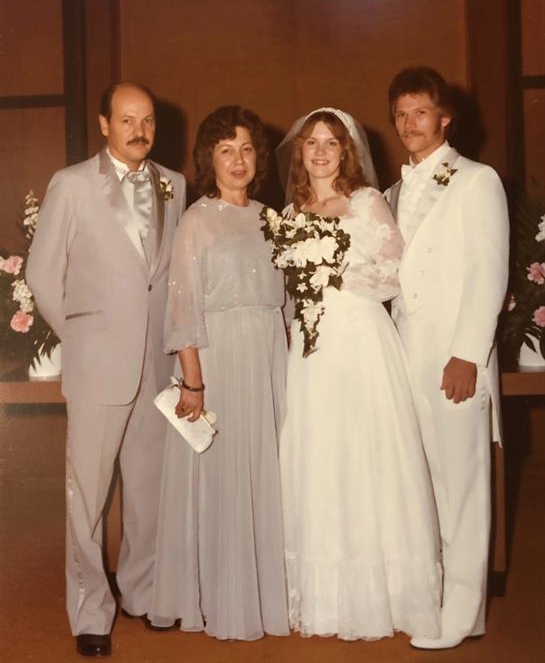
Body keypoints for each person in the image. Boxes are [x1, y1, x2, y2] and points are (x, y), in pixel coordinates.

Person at [26, 83, 186, 657]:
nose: (139, 131)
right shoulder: (71, 184)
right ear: (103, 124)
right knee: (88, 496)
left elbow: (170, 276)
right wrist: (84, 337)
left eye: (148, 120)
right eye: (126, 120)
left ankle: (143, 592)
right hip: (98, 363)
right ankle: (91, 611)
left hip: (156, 363)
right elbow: (42, 274)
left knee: (149, 489)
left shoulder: (175, 184)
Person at [277, 108, 442, 641]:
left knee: (367, 455)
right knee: (321, 456)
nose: (321, 152)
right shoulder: (292, 210)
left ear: (346, 151)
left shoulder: (367, 202)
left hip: (361, 339)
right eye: (312, 142)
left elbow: (395, 274)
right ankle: (326, 598)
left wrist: (336, 273)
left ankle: (385, 594)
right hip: (312, 351)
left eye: (332, 142)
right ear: (300, 152)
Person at [149, 105, 289, 640]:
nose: (238, 160)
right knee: (224, 475)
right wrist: (194, 381)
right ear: (209, 158)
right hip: (219, 359)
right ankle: (223, 599)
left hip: (268, 355)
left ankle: (265, 594)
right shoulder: (197, 220)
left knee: (264, 472)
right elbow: (182, 309)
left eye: (247, 148)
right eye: (226, 150)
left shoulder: (271, 218)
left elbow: (287, 304)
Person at [385, 66, 509, 649]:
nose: (410, 123)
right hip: (404, 357)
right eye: (401, 114)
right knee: (421, 487)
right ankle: (428, 601)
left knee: (462, 489)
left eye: (421, 112)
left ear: (445, 116)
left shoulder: (476, 180)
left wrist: (467, 355)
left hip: (454, 360)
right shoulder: (392, 192)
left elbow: (488, 272)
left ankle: (463, 613)